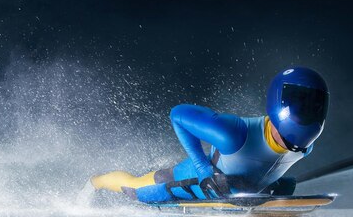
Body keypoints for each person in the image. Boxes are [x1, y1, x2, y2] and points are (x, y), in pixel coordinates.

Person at [85, 67, 329, 203]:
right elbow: (178, 114)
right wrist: (203, 170)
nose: (293, 145)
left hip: (235, 187)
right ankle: (95, 182)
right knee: (135, 184)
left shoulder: (307, 144)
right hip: (191, 178)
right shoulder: (235, 134)